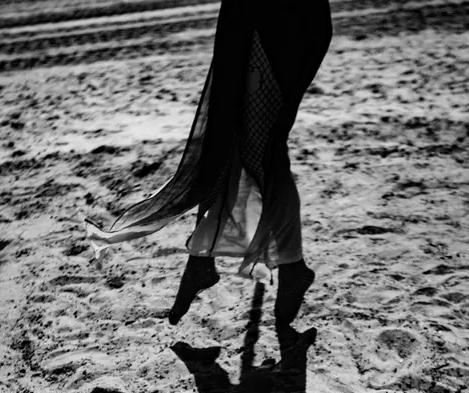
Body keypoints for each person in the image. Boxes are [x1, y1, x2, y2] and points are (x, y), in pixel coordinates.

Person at [85, 0, 332, 325]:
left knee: (263, 149)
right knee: (224, 136)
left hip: (283, 23)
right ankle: (202, 262)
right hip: (253, 19)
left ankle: (290, 266)